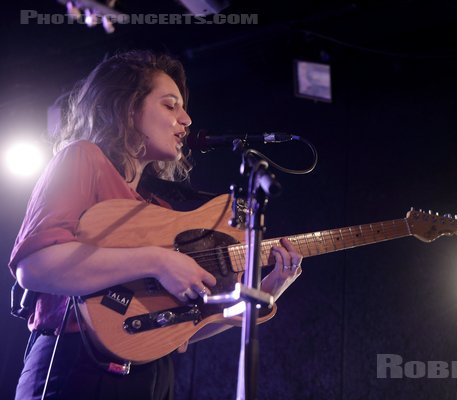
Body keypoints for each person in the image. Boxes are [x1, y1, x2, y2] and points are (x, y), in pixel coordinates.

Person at [8, 50, 303, 400]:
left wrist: (267, 291)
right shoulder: (83, 157)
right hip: (77, 369)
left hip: (151, 379)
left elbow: (180, 329)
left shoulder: (157, 208)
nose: (187, 119)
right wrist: (157, 260)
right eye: (170, 105)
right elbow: (34, 266)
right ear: (128, 108)